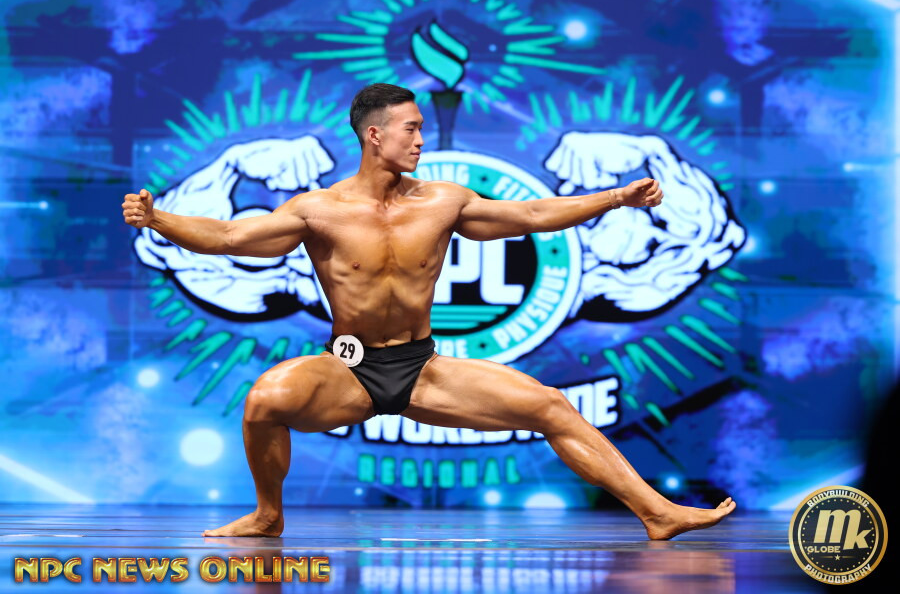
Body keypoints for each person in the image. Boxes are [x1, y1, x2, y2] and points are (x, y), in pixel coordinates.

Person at [122, 83, 736, 539]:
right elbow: (231, 237)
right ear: (375, 136)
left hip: (422, 367)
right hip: (348, 369)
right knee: (265, 400)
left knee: (550, 405)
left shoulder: (443, 201)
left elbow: (529, 215)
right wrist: (158, 219)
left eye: (420, 129)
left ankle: (656, 512)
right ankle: (267, 514)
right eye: (410, 129)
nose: (420, 140)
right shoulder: (318, 210)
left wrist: (617, 197)